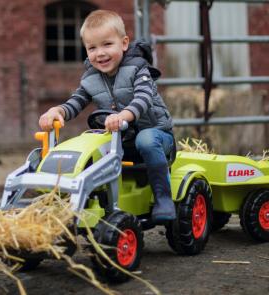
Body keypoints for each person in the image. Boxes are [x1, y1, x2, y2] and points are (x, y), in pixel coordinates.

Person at [38, 9, 176, 223]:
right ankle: (81, 200)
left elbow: (143, 98)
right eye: (92, 48)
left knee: (146, 139)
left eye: (107, 44)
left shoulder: (139, 69)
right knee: (88, 143)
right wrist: (57, 111)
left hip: (157, 135)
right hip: (119, 139)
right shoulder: (91, 78)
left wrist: (124, 115)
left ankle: (163, 198)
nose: (99, 53)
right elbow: (76, 102)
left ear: (123, 43)